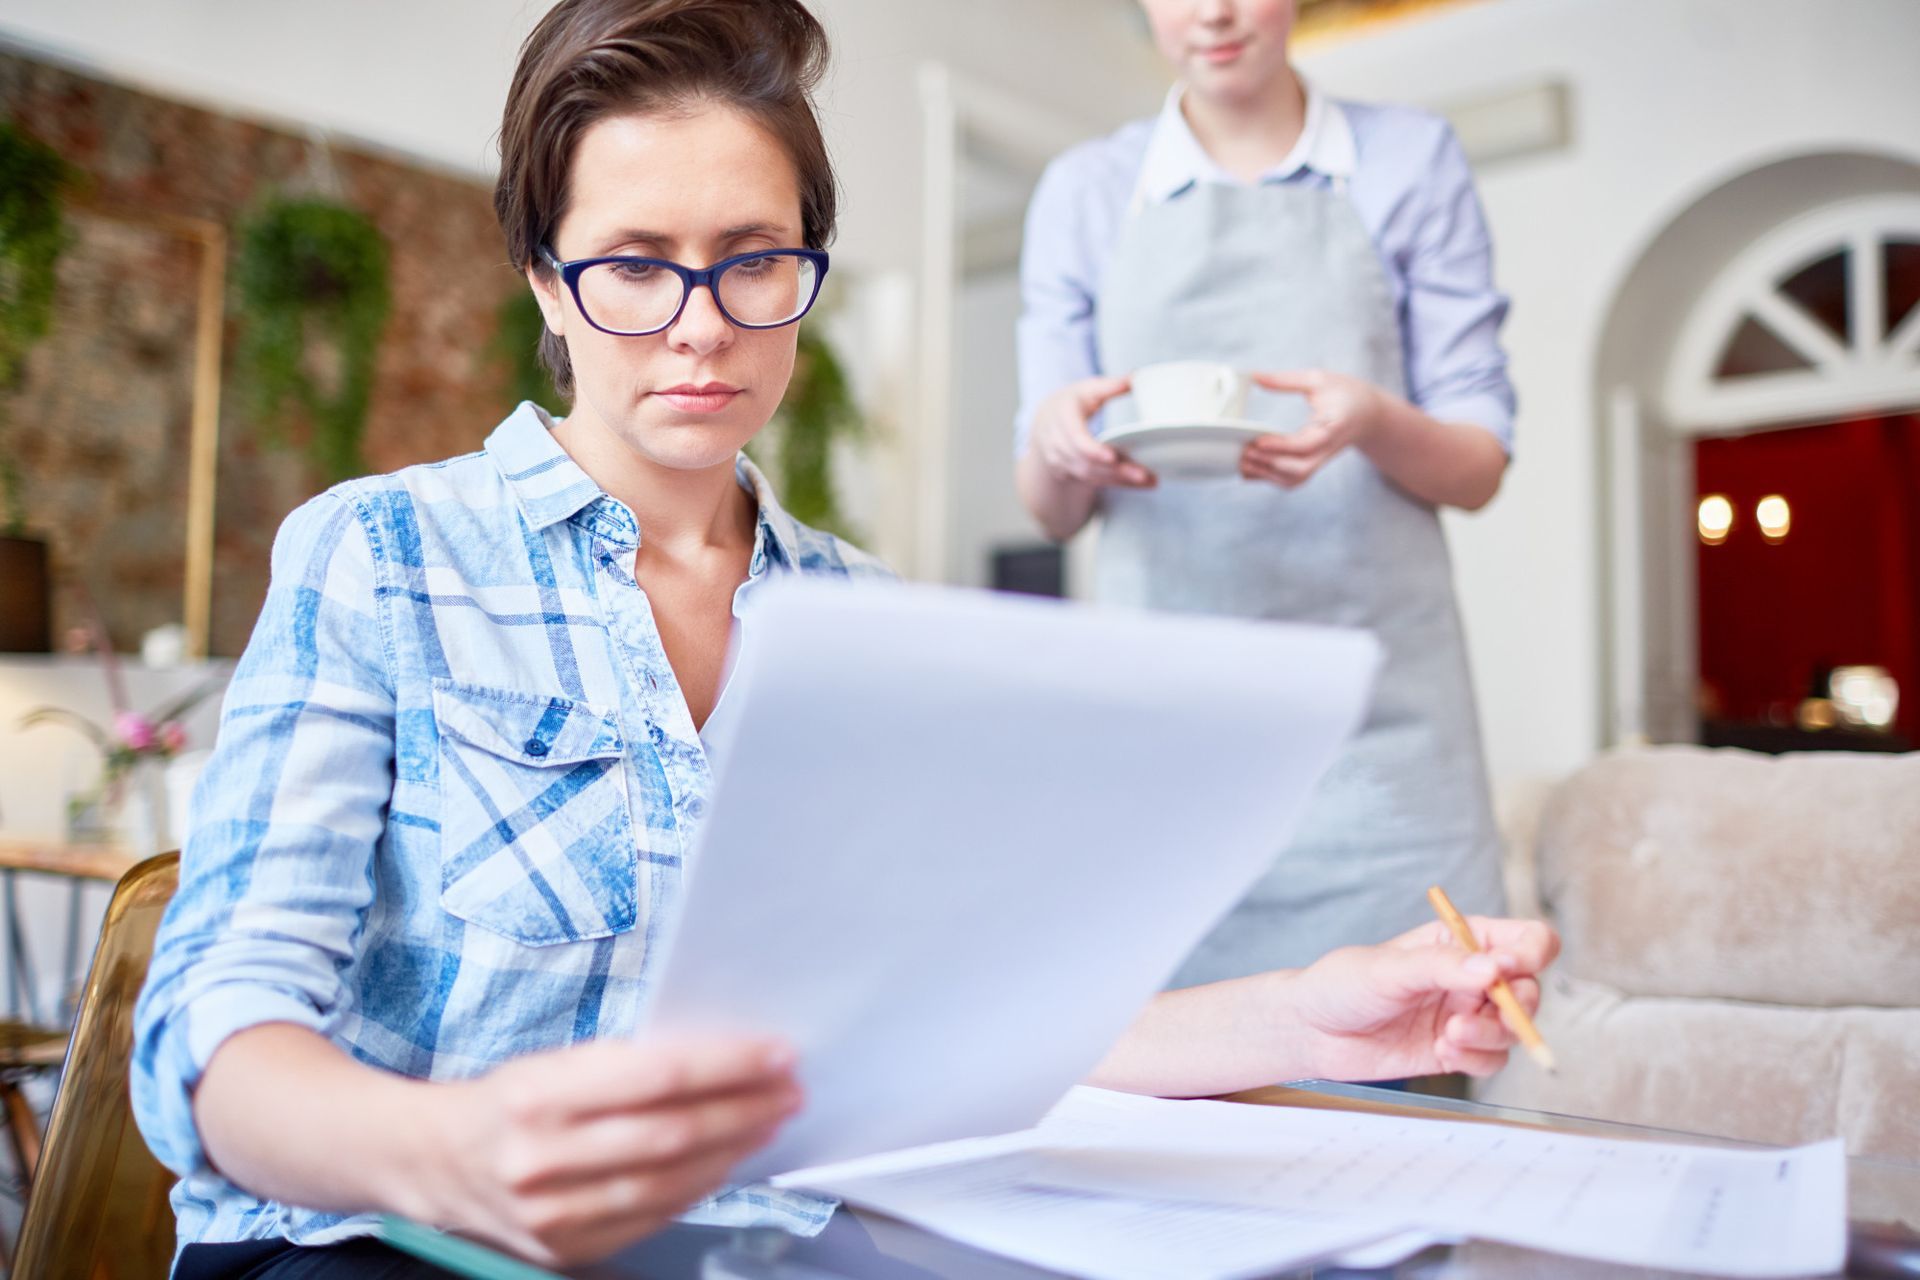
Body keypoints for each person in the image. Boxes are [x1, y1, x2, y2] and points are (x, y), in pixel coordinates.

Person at [132, 0, 1556, 1273]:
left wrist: (1311, 1019)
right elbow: (209, 1039)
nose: (703, 326)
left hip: (749, 1249)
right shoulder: (382, 556)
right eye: (635, 264)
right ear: (546, 278)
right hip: (380, 1247)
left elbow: (977, 1030)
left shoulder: (868, 622)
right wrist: (451, 1156)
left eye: (754, 260)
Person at [1015, 0, 1516, 987]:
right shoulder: (1084, 192)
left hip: (1383, 754)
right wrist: (1058, 437)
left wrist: (1372, 418)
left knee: (1416, 1085)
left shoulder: (1412, 160)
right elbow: (1051, 510)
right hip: (1171, 747)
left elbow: (1479, 464)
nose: (1213, 12)